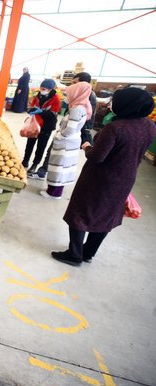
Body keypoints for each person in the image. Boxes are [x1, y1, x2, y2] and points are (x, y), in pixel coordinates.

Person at [52, 88, 155, 266]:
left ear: (127, 105)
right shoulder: (149, 126)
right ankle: (88, 252)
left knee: (80, 212)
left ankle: (74, 254)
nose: (111, 104)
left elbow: (97, 157)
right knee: (107, 215)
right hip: (125, 178)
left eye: (115, 101)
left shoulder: (115, 128)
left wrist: (86, 146)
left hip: (100, 179)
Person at [40, 81, 92, 199]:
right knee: (61, 167)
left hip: (66, 142)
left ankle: (54, 193)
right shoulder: (80, 107)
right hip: (69, 142)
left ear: (76, 94)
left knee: (60, 168)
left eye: (69, 94)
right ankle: (52, 190)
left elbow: (70, 129)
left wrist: (59, 136)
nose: (66, 97)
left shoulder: (77, 109)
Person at [22, 79, 61, 174]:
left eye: (45, 89)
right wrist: (30, 110)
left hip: (46, 126)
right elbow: (32, 106)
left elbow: (53, 113)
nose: (42, 90)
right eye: (41, 88)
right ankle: (25, 161)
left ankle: (35, 164)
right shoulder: (38, 96)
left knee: (41, 146)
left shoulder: (56, 99)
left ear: (50, 89)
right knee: (30, 143)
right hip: (35, 124)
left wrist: (41, 112)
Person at [73, 72, 97, 145]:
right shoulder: (81, 93)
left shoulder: (88, 95)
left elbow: (81, 114)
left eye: (75, 83)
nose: (72, 85)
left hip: (81, 126)